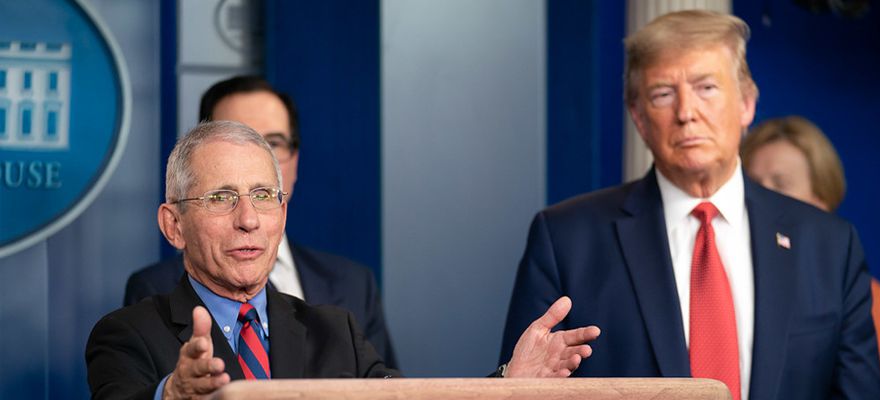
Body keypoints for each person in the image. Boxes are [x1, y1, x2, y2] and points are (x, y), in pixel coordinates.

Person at [499, 10, 880, 400]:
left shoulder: (830, 246)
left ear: (746, 104)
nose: (686, 113)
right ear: (639, 119)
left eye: (706, 88)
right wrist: (512, 383)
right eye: (663, 94)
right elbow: (516, 386)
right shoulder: (566, 240)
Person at [86, 121, 600, 399]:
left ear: (283, 214)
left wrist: (508, 382)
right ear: (173, 225)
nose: (249, 219)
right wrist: (173, 396)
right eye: (221, 198)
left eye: (264, 196)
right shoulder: (126, 334)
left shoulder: (335, 332)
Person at [123, 76, 398, 368]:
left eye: (274, 143)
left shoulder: (353, 288)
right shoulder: (150, 296)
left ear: (294, 159)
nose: (255, 155)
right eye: (237, 137)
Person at [741, 115, 880, 400]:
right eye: (753, 187)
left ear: (821, 201)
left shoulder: (866, 299)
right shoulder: (728, 288)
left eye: (781, 184)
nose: (763, 201)